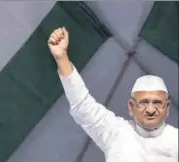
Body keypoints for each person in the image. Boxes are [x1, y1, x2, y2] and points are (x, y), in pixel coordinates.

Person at [47, 27, 178, 162]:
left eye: (157, 103)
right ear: (131, 107)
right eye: (143, 102)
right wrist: (61, 58)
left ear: (167, 108)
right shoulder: (116, 132)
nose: (150, 110)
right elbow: (83, 106)